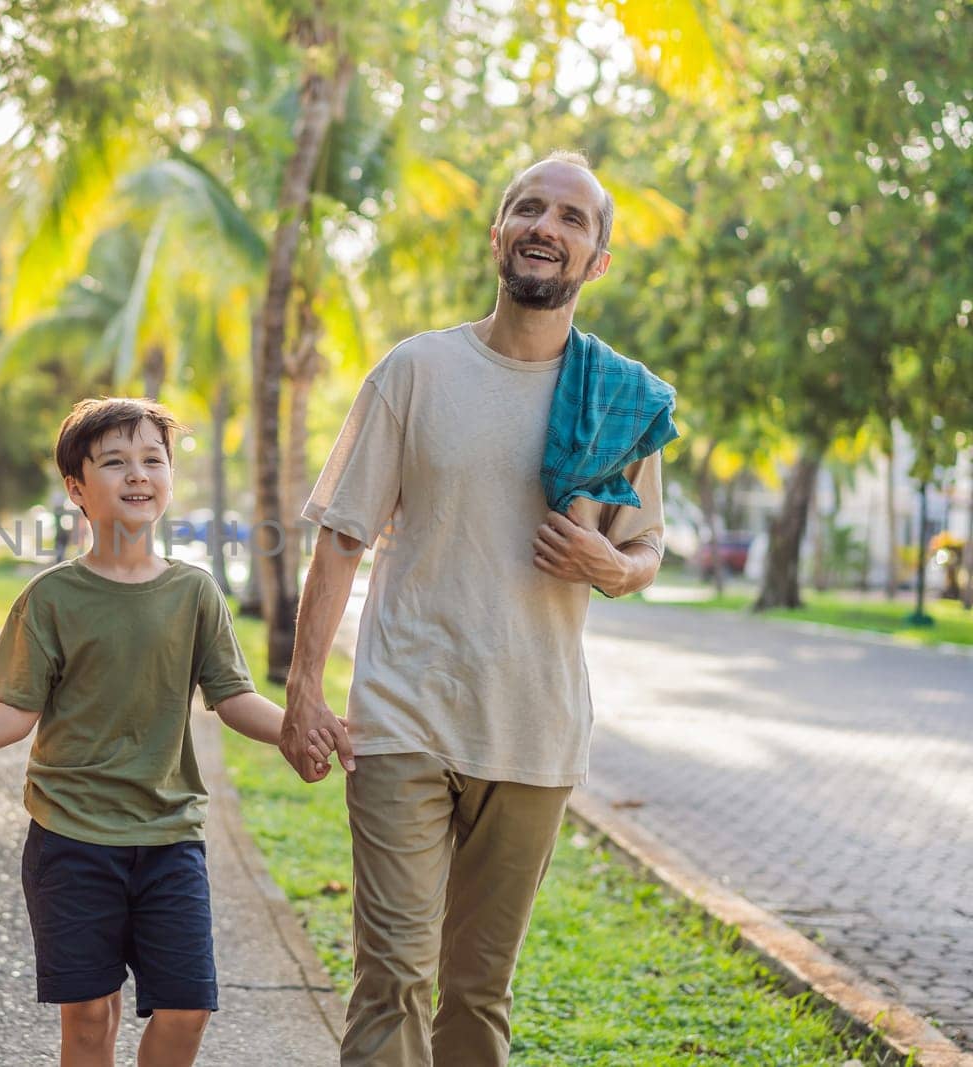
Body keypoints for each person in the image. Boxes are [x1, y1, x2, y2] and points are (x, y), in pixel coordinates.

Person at [285, 152, 669, 1066]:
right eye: (528, 208)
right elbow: (341, 536)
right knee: (393, 977)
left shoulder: (622, 400)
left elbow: (645, 547)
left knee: (477, 993)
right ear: (498, 234)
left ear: (597, 260)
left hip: (534, 730)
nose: (547, 225)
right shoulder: (416, 370)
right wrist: (305, 688)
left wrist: (611, 565)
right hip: (405, 714)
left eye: (573, 218)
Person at [0, 398, 326, 1067]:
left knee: (188, 1009)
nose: (138, 474)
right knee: (89, 1019)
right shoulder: (51, 598)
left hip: (169, 840)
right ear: (77, 487)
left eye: (152, 459)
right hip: (70, 840)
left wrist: (302, 729)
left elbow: (235, 697)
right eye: (115, 462)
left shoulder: (196, 593)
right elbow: (15, 712)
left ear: (168, 476)